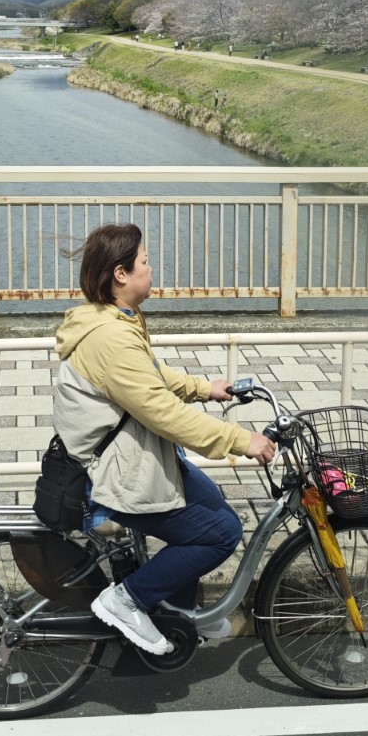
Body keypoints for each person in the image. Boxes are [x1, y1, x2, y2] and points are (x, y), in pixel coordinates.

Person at [52, 223, 276, 655]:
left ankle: (180, 611)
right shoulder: (112, 337)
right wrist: (238, 439)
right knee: (220, 532)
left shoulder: (111, 317)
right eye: (145, 262)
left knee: (209, 501)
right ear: (120, 274)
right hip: (118, 471)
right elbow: (162, 413)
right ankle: (126, 600)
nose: (151, 269)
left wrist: (203, 387)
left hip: (133, 452)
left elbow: (147, 379)